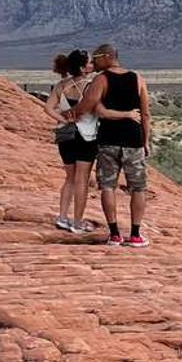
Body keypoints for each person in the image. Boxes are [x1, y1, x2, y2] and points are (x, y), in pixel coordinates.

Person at [68, 43, 152, 247]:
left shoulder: (101, 79)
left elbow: (88, 105)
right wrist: (146, 141)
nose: (93, 62)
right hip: (133, 140)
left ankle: (114, 234)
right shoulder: (137, 78)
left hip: (109, 140)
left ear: (107, 57)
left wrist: (71, 114)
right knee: (138, 188)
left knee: (107, 186)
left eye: (95, 58)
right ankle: (135, 235)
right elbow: (146, 114)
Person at [44, 49, 100, 233]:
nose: (93, 65)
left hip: (65, 136)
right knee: (81, 180)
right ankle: (77, 222)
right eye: (90, 62)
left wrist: (64, 119)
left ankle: (62, 217)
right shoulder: (91, 85)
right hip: (87, 136)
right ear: (83, 67)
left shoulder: (61, 85)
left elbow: (48, 108)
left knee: (69, 178)